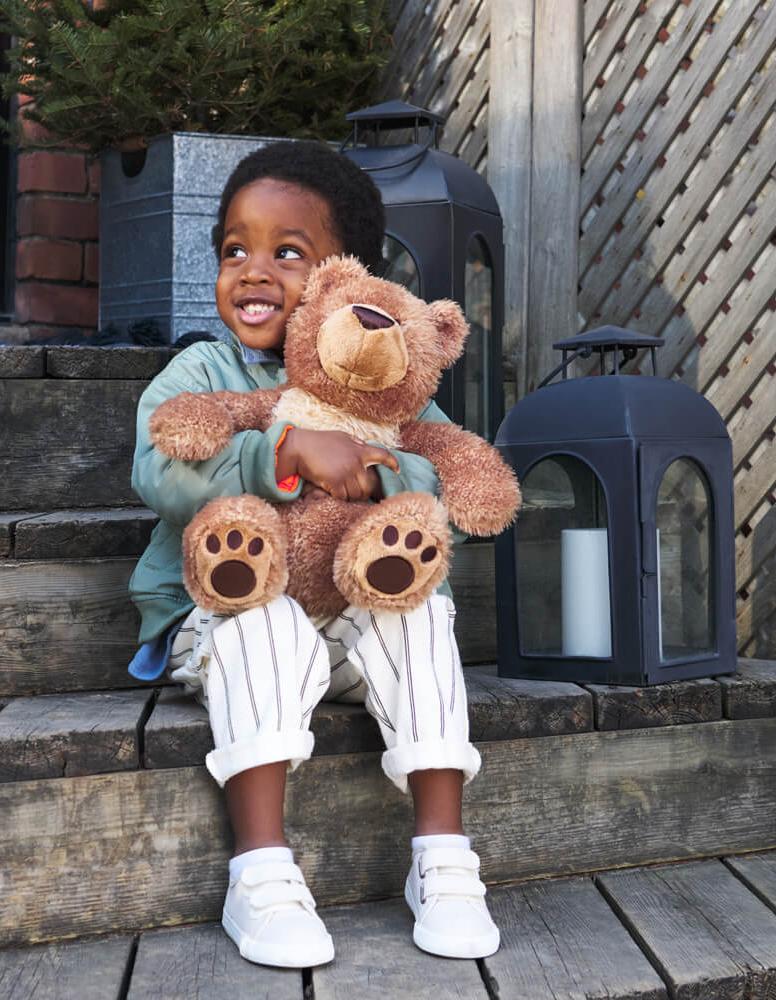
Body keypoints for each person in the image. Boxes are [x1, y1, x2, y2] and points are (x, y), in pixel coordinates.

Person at [127, 141, 500, 968]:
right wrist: (285, 453)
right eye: (235, 249)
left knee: (420, 611)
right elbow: (161, 468)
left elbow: (447, 485)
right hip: (218, 623)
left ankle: (443, 858)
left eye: (286, 253)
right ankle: (259, 872)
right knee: (258, 618)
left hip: (347, 627)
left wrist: (377, 471)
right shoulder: (202, 369)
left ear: (343, 278)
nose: (253, 271)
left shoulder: (391, 377)